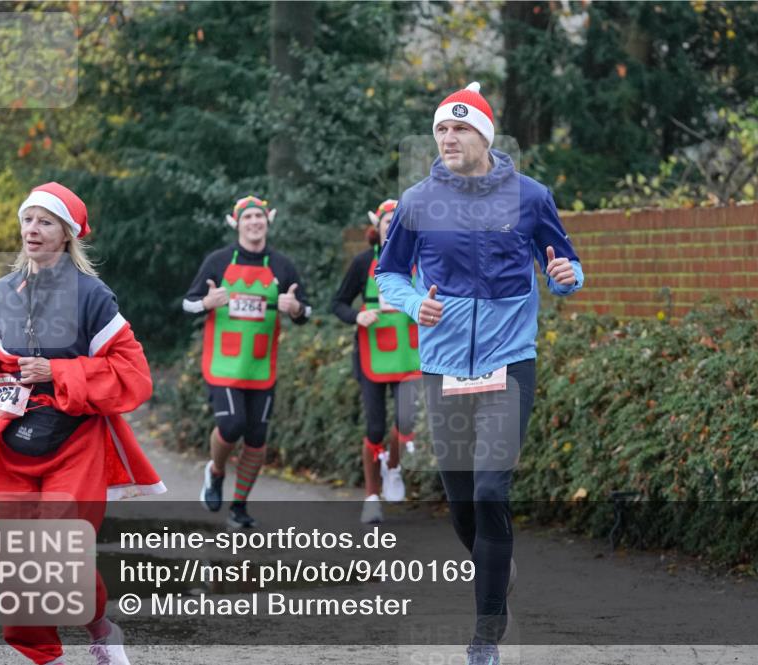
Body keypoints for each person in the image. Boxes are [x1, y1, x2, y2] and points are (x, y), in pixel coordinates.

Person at [375, 82, 584, 665]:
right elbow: (388, 275)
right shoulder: (416, 202)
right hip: (443, 370)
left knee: (492, 490)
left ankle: (485, 635)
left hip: (509, 364)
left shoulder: (531, 196)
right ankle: (498, 565)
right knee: (463, 504)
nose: (448, 138)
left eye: (460, 129)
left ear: (484, 136)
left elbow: (567, 266)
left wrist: (566, 276)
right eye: (441, 129)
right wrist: (417, 304)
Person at [0, 182, 166, 665]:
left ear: (67, 233)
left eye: (45, 221)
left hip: (76, 441)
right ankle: (44, 657)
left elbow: (135, 377)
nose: (32, 230)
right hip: (13, 442)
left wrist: (58, 371)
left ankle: (101, 629)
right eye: (27, 219)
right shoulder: (4, 291)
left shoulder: (92, 295)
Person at [184, 196, 312, 529]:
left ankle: (238, 507)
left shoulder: (282, 265)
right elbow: (187, 303)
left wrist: (295, 308)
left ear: (267, 222)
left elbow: (306, 311)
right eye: (248, 217)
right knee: (232, 425)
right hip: (223, 364)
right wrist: (207, 302)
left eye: (259, 217)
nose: (254, 222)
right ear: (237, 223)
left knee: (256, 438)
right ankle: (215, 472)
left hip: (260, 364)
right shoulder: (219, 260)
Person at [331, 199, 420, 524]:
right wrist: (358, 315)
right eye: (387, 222)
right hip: (372, 355)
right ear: (379, 228)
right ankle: (371, 496)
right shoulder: (362, 262)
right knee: (375, 427)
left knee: (408, 420)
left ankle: (393, 467)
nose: (393, 226)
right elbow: (337, 303)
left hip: (410, 353)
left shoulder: (421, 260)